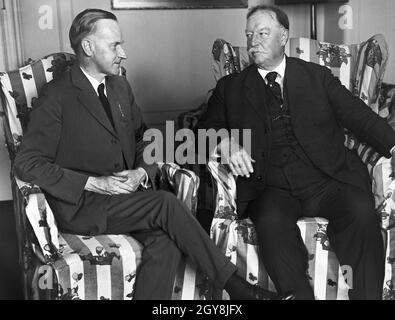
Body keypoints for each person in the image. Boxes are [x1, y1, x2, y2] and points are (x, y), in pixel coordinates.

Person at [14, 8, 294, 301]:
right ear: (88, 47)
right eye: (114, 46)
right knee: (165, 203)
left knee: (166, 240)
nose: (123, 53)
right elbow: (27, 162)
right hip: (83, 205)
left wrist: (141, 172)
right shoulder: (57, 96)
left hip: (123, 198)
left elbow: (144, 140)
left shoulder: (120, 87)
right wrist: (95, 183)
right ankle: (239, 289)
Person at [197, 4, 395, 300]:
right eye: (249, 35)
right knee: (272, 227)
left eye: (263, 33)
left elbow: (359, 116)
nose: (254, 42)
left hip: (327, 178)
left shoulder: (318, 76)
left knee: (361, 214)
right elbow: (201, 133)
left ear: (283, 36)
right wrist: (223, 141)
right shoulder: (231, 87)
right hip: (270, 186)